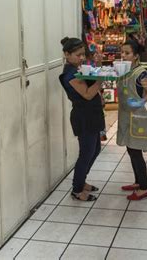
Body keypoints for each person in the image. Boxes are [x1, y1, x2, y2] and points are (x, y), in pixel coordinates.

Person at [59, 37, 104, 202]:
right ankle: (77, 189)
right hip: (83, 117)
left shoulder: (79, 68)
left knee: (95, 149)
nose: (82, 58)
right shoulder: (69, 74)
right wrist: (102, 80)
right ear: (66, 54)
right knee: (86, 154)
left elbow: (92, 79)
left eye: (83, 54)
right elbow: (87, 94)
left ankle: (81, 180)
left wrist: (98, 66)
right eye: (78, 55)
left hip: (92, 113)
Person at [117, 39, 147, 200]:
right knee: (130, 149)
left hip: (137, 117)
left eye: (127, 53)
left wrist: (140, 102)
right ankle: (137, 181)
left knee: (135, 152)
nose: (123, 56)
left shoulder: (141, 73)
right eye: (122, 52)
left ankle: (144, 187)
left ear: (135, 56)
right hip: (126, 115)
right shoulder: (123, 70)